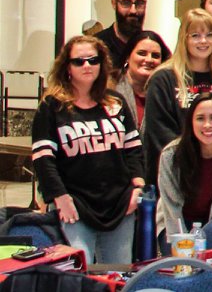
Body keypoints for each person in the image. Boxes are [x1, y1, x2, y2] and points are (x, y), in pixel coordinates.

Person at [32, 36, 145, 264]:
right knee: (78, 274)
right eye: (79, 61)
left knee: (118, 274)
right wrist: (59, 197)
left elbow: (134, 150)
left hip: (120, 206)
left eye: (93, 60)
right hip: (74, 206)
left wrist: (137, 189)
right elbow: (44, 159)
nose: (87, 66)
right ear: (67, 67)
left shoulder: (116, 102)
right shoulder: (52, 107)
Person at [144, 9, 212, 185]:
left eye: (209, 35)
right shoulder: (163, 80)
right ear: (184, 38)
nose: (203, 41)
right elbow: (159, 133)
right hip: (178, 174)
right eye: (196, 35)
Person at [158, 94, 212, 240]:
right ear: (190, 123)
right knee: (182, 261)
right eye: (200, 118)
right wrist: (184, 243)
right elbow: (172, 208)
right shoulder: (171, 155)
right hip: (176, 224)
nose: (207, 125)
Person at [114, 31, 169, 128]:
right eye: (142, 53)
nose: (149, 60)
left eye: (155, 56)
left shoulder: (167, 94)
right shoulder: (110, 89)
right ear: (127, 57)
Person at [97, 0, 149, 68]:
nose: (133, 10)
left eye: (139, 3)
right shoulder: (97, 47)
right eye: (126, 3)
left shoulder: (153, 48)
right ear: (114, 4)